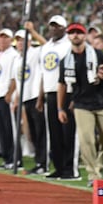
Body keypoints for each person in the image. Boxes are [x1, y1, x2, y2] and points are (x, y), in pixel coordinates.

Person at [58, 23, 103, 186]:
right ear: (68, 36)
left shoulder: (98, 55)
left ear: (84, 35)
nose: (75, 35)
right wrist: (60, 108)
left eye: (78, 32)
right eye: (72, 33)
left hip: (102, 101)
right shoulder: (65, 61)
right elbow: (62, 84)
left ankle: (100, 165)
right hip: (81, 104)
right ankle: (93, 175)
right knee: (87, 140)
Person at [36, 14, 79, 180]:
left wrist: (75, 95)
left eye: (58, 26)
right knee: (54, 134)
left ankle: (71, 169)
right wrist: (41, 96)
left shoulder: (69, 45)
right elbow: (43, 73)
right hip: (50, 92)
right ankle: (59, 167)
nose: (54, 28)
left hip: (67, 91)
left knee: (68, 132)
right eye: (52, 26)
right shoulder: (46, 47)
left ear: (64, 28)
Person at [13, 26, 48, 174]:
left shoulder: (36, 52)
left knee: (41, 131)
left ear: (30, 42)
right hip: (25, 97)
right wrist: (17, 97)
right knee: (32, 133)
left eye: (23, 40)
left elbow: (47, 46)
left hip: (36, 96)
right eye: (18, 41)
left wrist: (33, 31)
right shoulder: (18, 58)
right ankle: (38, 162)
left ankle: (43, 163)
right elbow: (18, 80)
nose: (21, 43)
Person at [0, 28, 20, 169]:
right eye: (0, 37)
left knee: (10, 128)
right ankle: (7, 158)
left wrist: (10, 93)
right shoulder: (0, 55)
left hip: (6, 95)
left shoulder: (13, 55)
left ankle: (15, 158)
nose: (2, 40)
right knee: (2, 128)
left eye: (5, 37)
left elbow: (15, 76)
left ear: (11, 39)